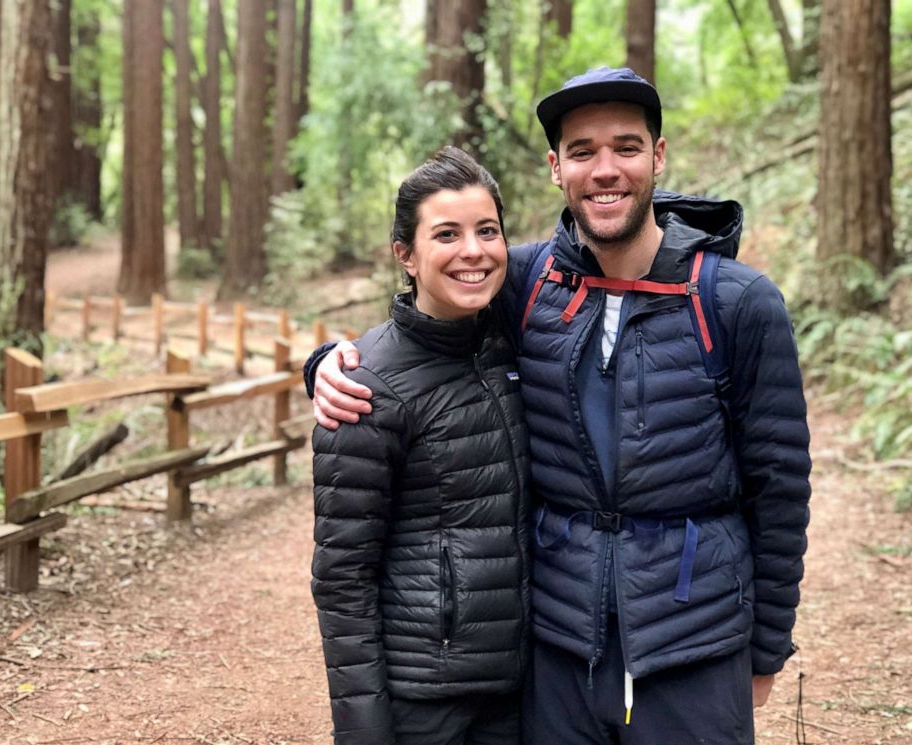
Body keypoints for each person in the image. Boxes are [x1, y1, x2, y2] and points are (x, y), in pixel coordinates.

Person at [308, 67, 811, 744]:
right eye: (582, 152)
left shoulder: (738, 303)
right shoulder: (525, 279)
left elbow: (780, 484)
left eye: (627, 147)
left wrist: (768, 642)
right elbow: (429, 318)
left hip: (693, 643)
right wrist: (325, 363)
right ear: (555, 168)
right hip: (558, 649)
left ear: (658, 156)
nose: (605, 170)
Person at [310, 146, 531, 745]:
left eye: (487, 231)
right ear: (405, 255)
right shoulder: (365, 389)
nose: (473, 251)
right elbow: (342, 577)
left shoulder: (512, 341)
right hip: (425, 699)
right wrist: (365, 731)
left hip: (520, 688)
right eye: (447, 234)